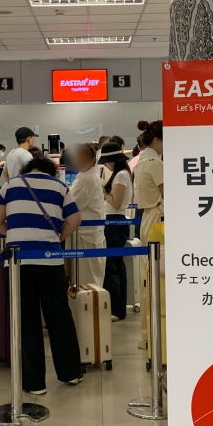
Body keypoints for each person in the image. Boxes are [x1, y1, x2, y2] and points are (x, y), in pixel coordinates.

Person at [0, 157, 84, 394]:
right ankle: (70, 372)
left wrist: (12, 235)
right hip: (50, 260)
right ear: (51, 171)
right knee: (59, 316)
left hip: (19, 261)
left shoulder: (10, 186)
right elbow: (75, 219)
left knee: (26, 321)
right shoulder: (59, 187)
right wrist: (59, 237)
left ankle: (34, 383)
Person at [99, 142, 133, 321]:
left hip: (114, 222)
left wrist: (104, 192)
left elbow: (116, 203)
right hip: (116, 222)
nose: (106, 165)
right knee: (116, 266)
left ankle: (116, 309)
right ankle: (118, 308)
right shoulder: (123, 174)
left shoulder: (120, 176)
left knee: (112, 266)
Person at [68, 143, 106, 287]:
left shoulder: (87, 178)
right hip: (87, 235)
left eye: (81, 158)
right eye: (77, 157)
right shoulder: (86, 175)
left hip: (86, 236)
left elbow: (73, 205)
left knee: (87, 281)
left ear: (91, 160)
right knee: (85, 278)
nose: (78, 161)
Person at [134, 120, 164, 244]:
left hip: (147, 216)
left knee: (150, 252)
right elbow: (166, 192)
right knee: (160, 253)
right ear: (156, 140)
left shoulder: (141, 162)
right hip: (158, 216)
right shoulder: (155, 163)